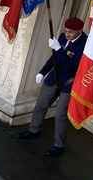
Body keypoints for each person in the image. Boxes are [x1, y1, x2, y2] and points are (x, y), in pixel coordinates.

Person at [17, 17, 87, 156]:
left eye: (71, 32)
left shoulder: (85, 44)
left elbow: (72, 65)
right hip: (54, 78)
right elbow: (54, 59)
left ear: (79, 31)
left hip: (70, 81)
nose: (67, 34)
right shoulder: (62, 37)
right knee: (41, 104)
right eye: (66, 31)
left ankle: (59, 144)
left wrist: (59, 49)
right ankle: (34, 129)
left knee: (60, 113)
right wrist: (42, 72)